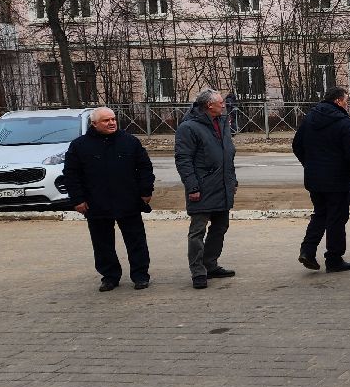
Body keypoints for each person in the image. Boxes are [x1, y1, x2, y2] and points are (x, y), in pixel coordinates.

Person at [63, 106, 155, 291]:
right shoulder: (79, 146)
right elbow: (71, 175)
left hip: (128, 200)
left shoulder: (129, 141)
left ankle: (140, 275)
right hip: (96, 203)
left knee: (136, 240)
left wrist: (146, 191)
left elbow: (145, 167)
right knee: (102, 242)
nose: (112, 123)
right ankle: (110, 276)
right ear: (94, 123)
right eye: (106, 120)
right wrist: (78, 199)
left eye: (113, 119)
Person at [292, 86, 350, 273]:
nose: (347, 105)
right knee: (337, 218)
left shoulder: (310, 117)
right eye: (346, 101)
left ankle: (307, 250)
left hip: (314, 179)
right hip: (337, 180)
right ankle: (334, 259)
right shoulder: (344, 122)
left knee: (320, 214)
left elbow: (297, 145)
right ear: (338, 101)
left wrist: (309, 164)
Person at [175, 88, 239, 290]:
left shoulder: (222, 122)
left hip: (222, 185)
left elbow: (228, 155)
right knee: (197, 231)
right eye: (221, 102)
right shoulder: (188, 127)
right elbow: (183, 160)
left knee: (220, 227)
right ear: (209, 105)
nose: (224, 105)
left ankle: (210, 264)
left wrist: (232, 181)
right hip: (202, 188)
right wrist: (192, 187)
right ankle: (198, 272)